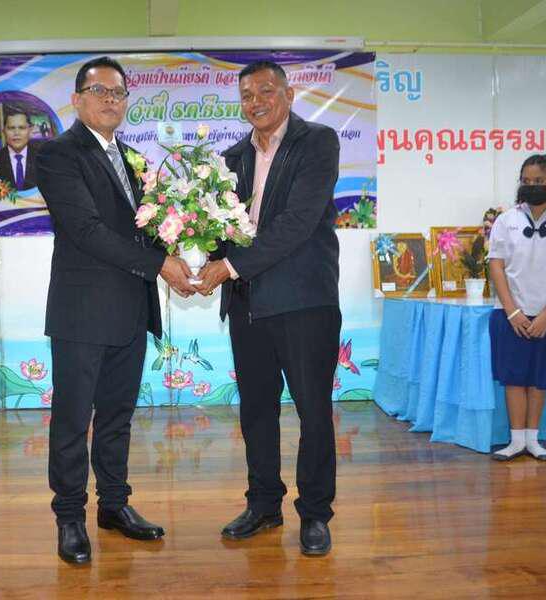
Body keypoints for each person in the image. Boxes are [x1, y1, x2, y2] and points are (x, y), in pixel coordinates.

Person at [35, 56, 195, 564]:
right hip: (82, 313)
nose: (110, 99)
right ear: (77, 100)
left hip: (129, 309)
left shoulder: (132, 159)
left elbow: (144, 230)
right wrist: (160, 264)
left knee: (117, 416)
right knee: (72, 419)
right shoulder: (56, 154)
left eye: (118, 92)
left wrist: (185, 251)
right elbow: (86, 230)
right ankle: (69, 517)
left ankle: (113, 505)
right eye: (99, 91)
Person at [194, 61, 342, 556]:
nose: (255, 101)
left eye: (265, 91)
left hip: (304, 302)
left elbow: (297, 223)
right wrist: (201, 255)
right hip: (248, 305)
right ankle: (263, 505)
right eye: (246, 95)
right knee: (256, 411)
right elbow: (221, 229)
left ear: (288, 93)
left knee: (313, 412)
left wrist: (228, 267)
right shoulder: (231, 158)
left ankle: (315, 514)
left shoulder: (317, 143)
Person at [487, 154, 546, 462]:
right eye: (526, 181)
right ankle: (516, 441)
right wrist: (513, 311)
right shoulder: (506, 220)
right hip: (510, 314)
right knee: (514, 378)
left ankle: (533, 440)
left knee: (540, 378)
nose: (531, 186)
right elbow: (496, 266)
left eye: (538, 181)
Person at [0, 109, 40, 190]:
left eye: (22, 128)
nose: (16, 133)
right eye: (11, 128)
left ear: (30, 130)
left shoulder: (43, 158)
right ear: (4, 131)